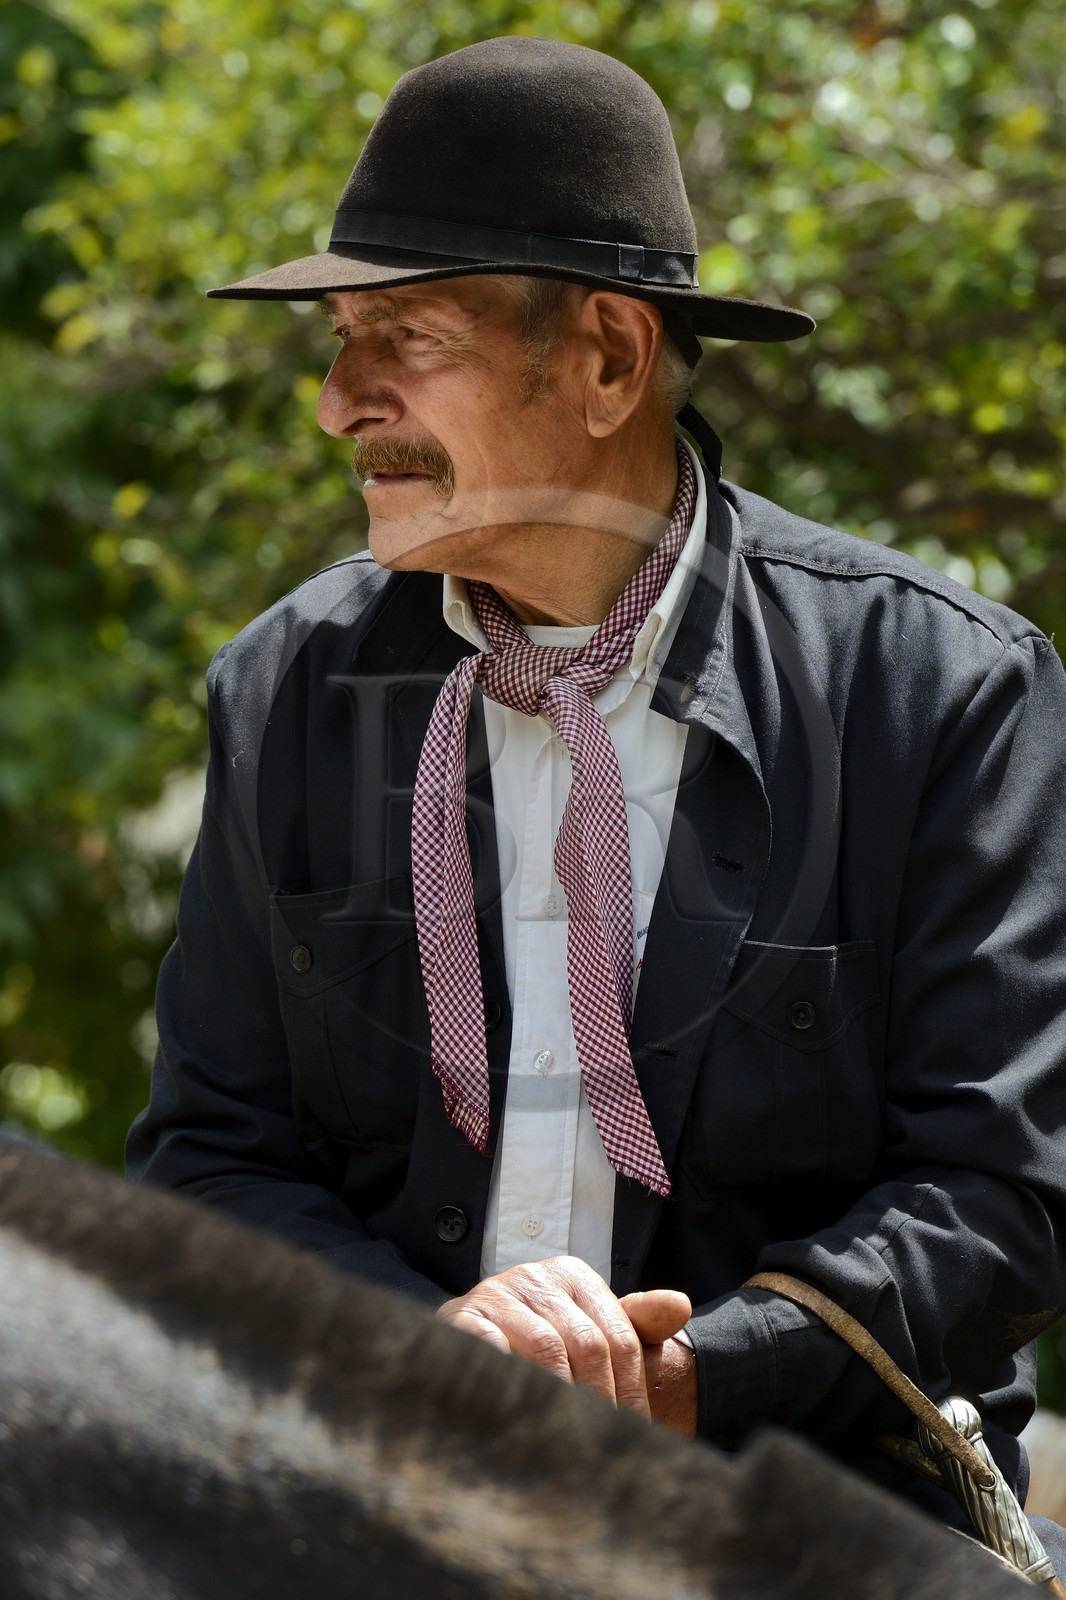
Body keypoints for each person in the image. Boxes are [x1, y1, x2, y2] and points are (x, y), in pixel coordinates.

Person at [127, 36, 1066, 1540]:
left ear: (610, 361)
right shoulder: (285, 693)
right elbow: (211, 1154)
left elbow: (995, 1201)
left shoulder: (941, 692)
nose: (338, 402)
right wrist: (434, 1366)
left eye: (406, 338)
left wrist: (670, 1382)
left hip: (800, 1535)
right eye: (336, 341)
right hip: (385, 1513)